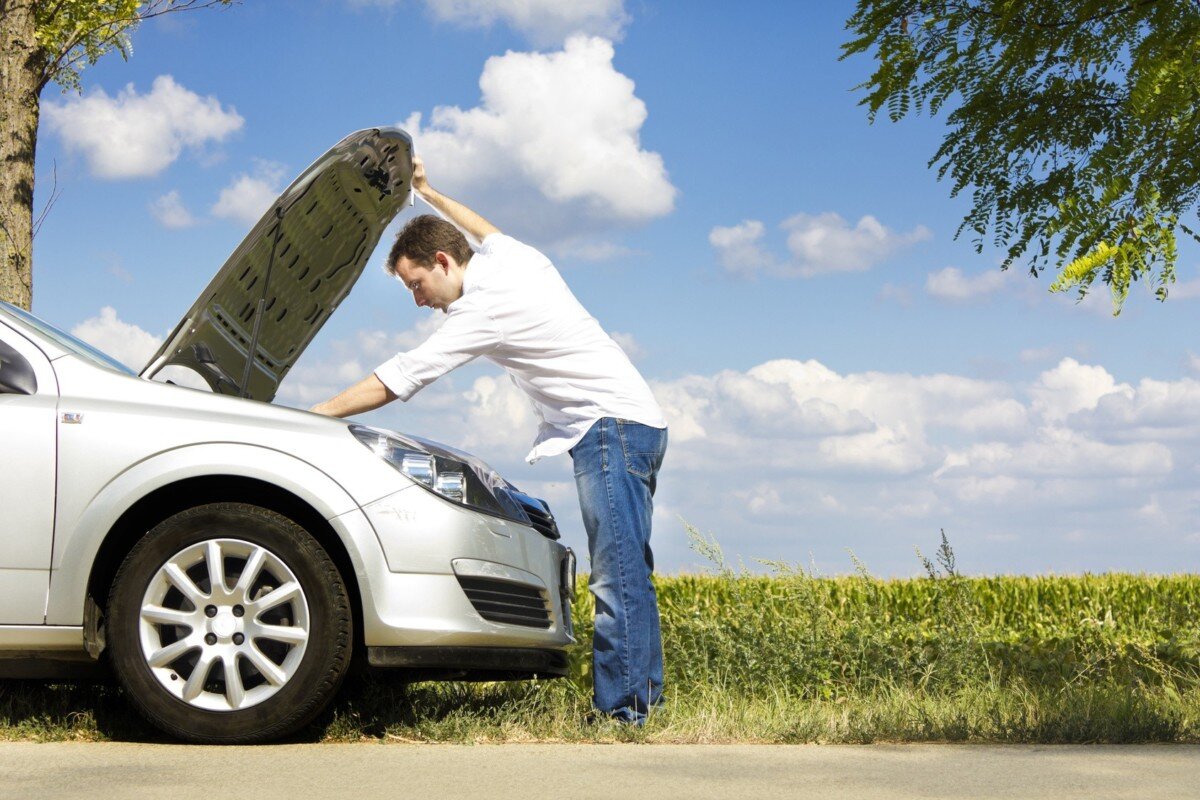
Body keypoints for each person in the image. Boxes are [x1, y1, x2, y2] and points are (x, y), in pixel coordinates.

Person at [310, 157, 669, 724]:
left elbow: (399, 376)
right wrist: (426, 190)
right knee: (629, 570)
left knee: (615, 575)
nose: (418, 299)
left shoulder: (485, 309)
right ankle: (641, 702)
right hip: (635, 424)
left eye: (416, 283)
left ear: (443, 262)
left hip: (609, 429)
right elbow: (481, 228)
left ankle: (622, 714)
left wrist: (313, 416)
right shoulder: (516, 261)